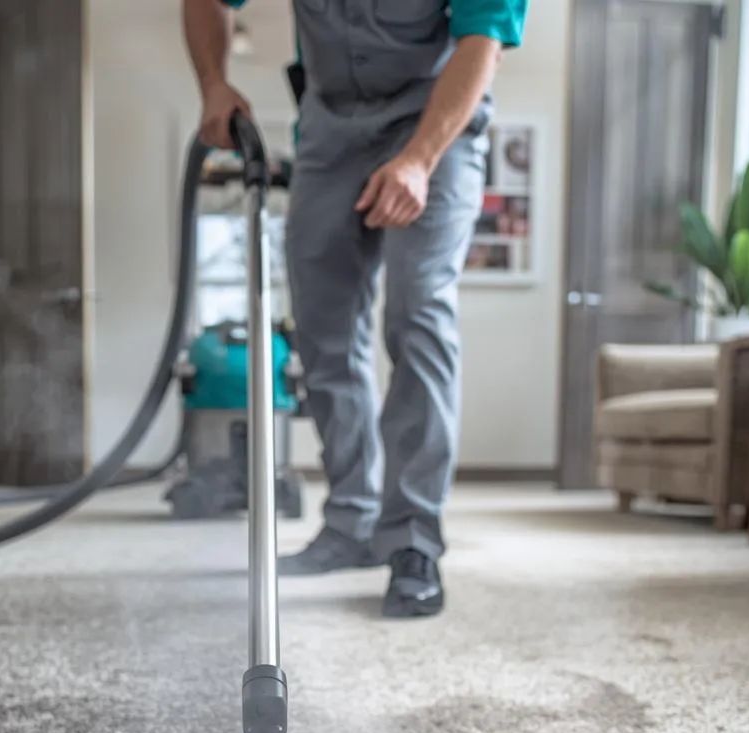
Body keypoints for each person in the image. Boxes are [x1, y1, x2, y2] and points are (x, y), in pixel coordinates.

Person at [183, 0, 527, 617]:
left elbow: (484, 40)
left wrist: (419, 162)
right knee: (323, 329)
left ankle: (413, 542)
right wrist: (213, 83)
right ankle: (351, 521)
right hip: (329, 127)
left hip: (436, 120)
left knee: (418, 314)